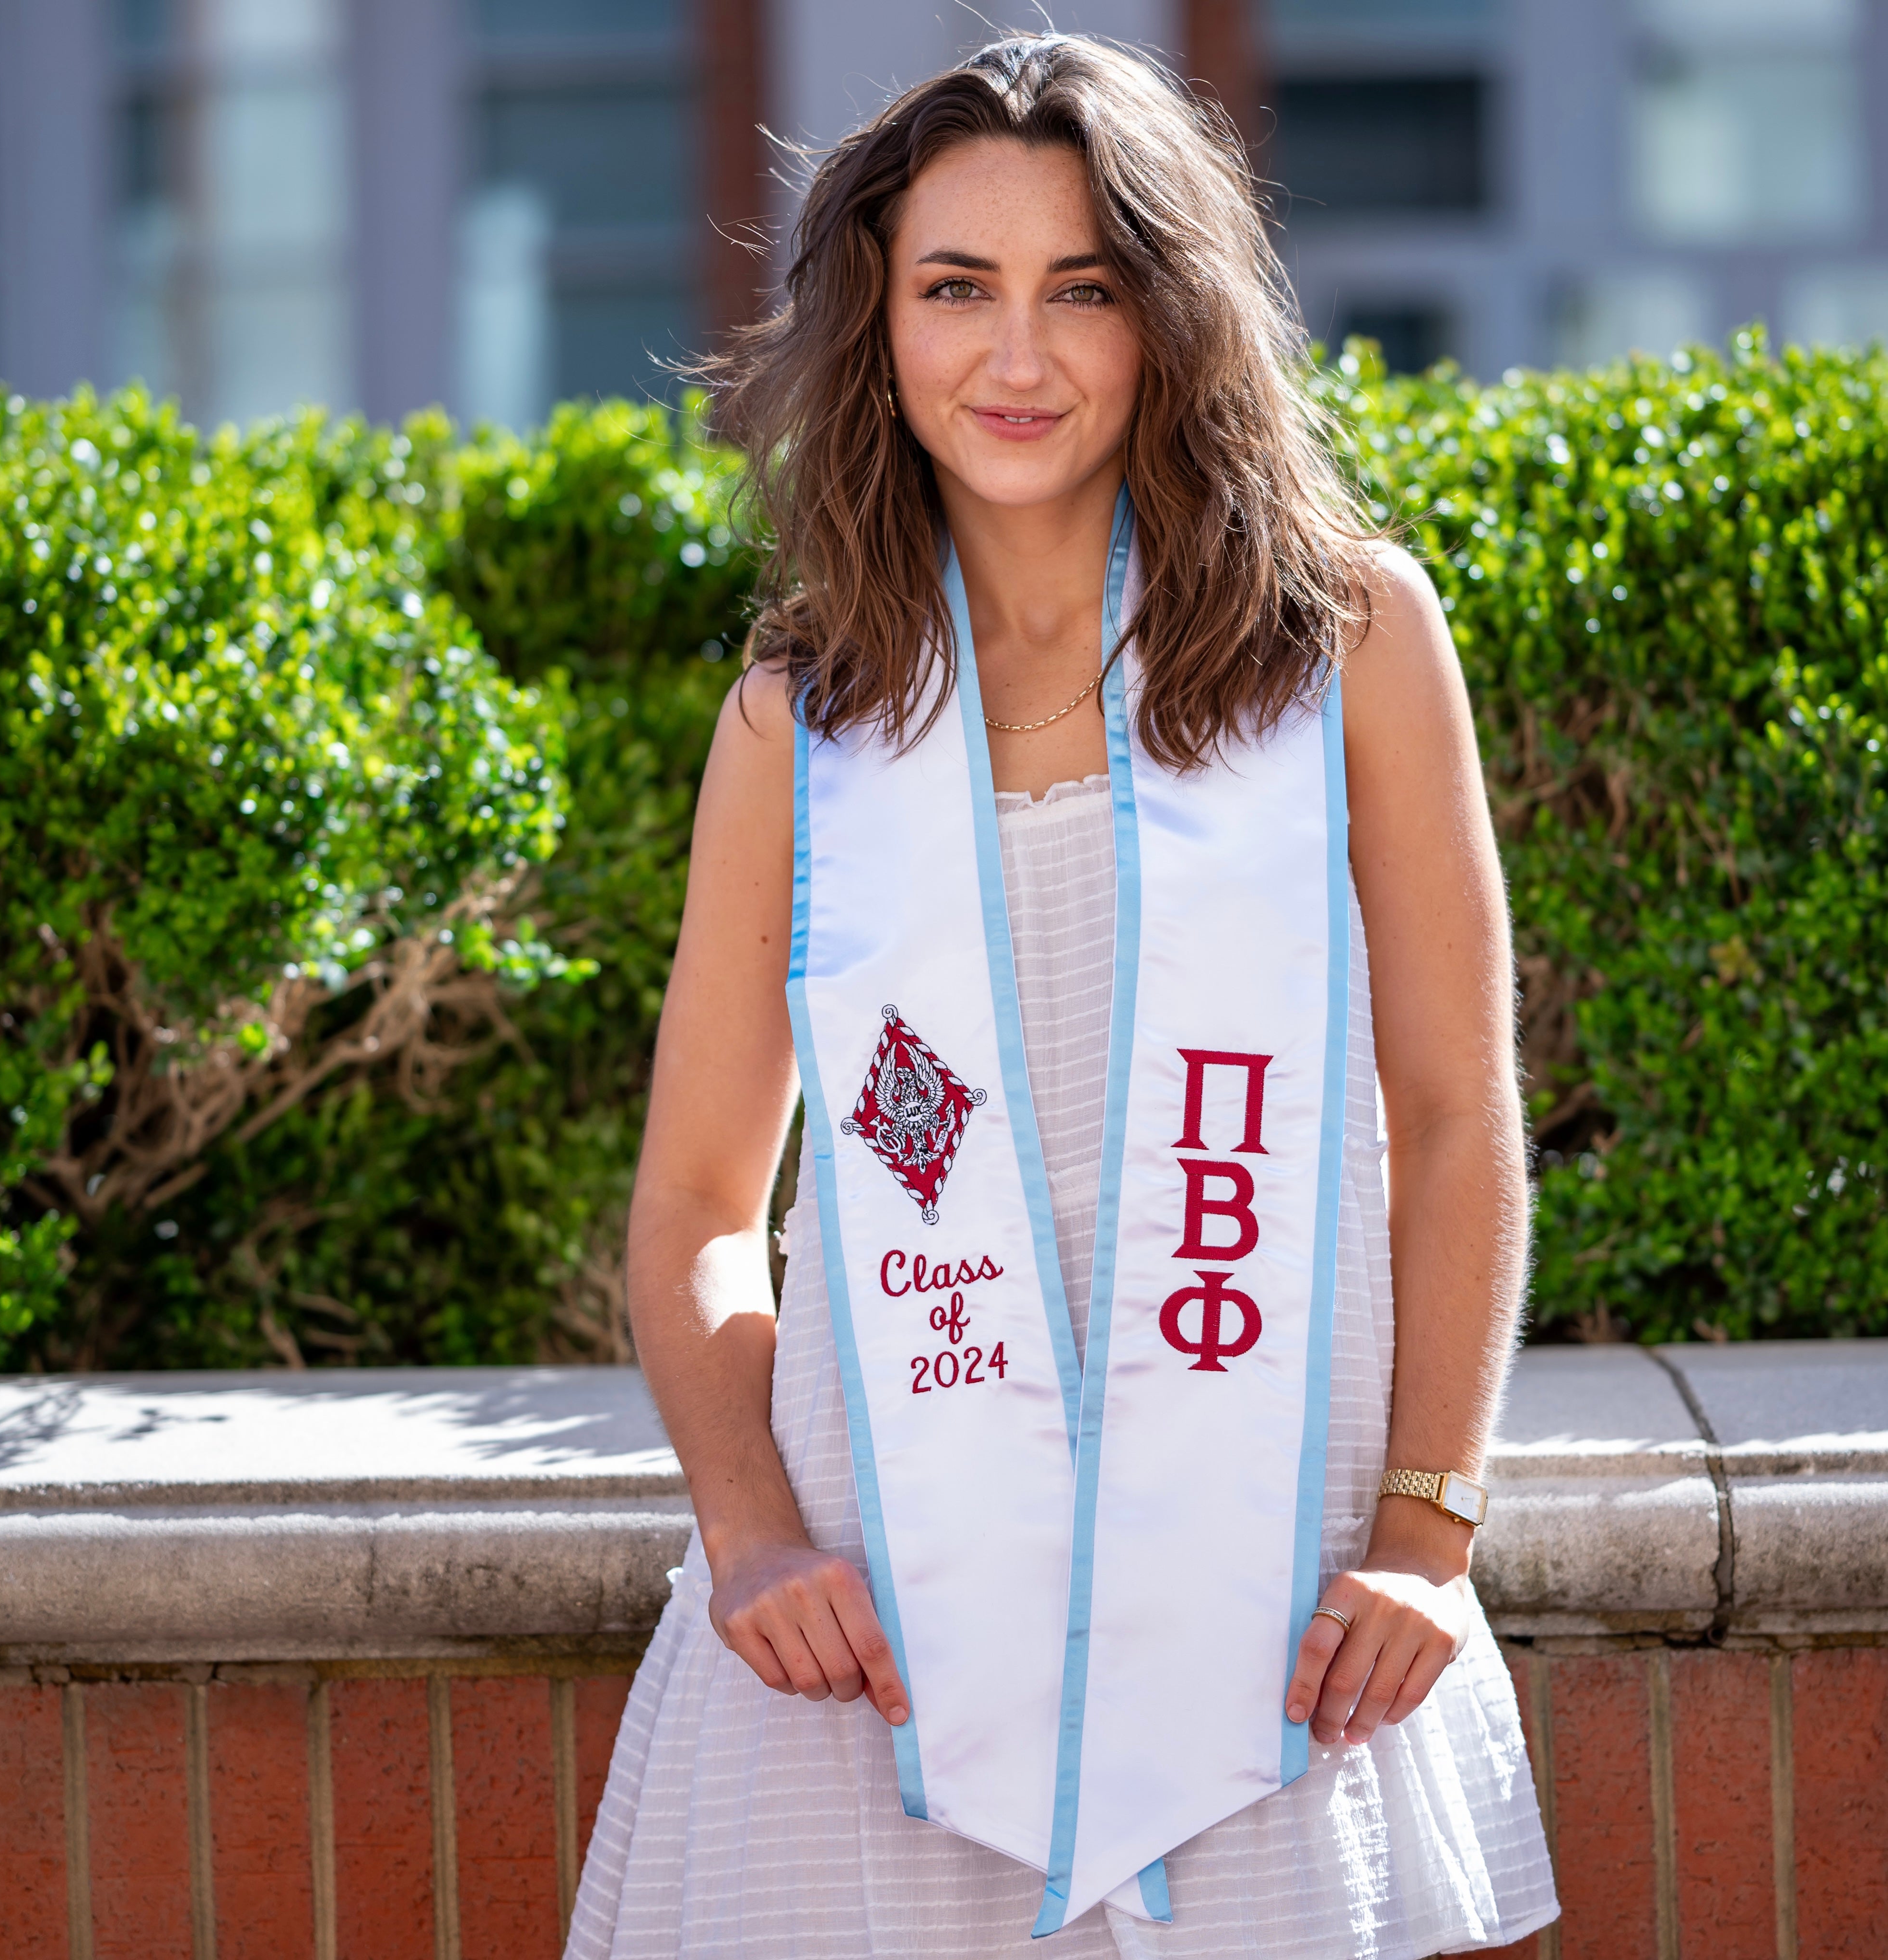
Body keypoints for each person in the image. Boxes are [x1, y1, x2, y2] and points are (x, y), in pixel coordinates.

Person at [567, 34, 1559, 1960]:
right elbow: (699, 1203)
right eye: (956, 289)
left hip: (1272, 1601)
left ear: (1166, 320)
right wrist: (753, 1530)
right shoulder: (805, 723)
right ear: (877, 316)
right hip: (882, 1639)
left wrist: (1427, 1531)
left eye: (1080, 290)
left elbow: (1451, 1111)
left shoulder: (1340, 642)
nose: (1013, 357)